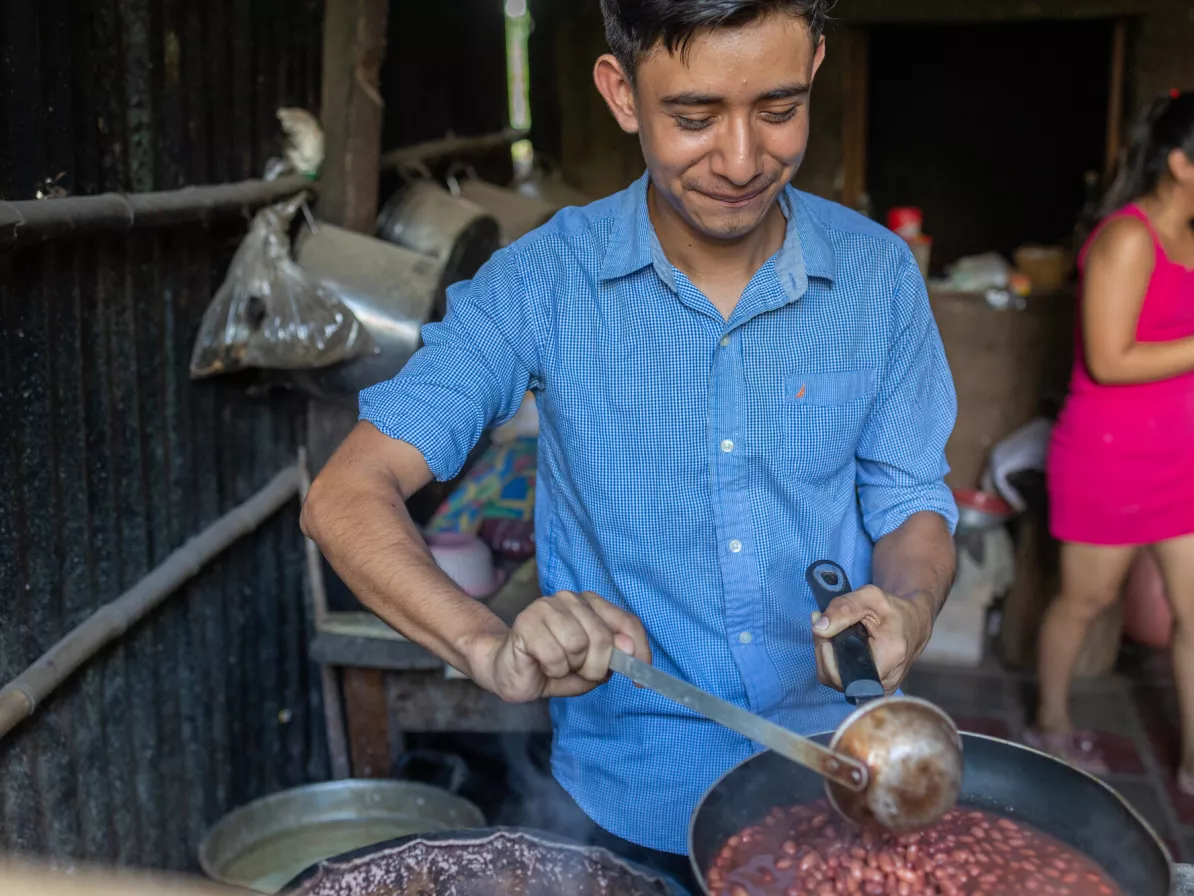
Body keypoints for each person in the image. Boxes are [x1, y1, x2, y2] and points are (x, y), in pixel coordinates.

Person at [302, 0, 959, 884]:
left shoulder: (877, 277)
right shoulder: (541, 283)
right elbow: (347, 493)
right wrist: (486, 644)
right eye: (693, 117)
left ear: (813, 72)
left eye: (777, 110)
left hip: (837, 778)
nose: (740, 160)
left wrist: (909, 609)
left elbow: (912, 501)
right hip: (631, 803)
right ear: (621, 93)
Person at [1029, 90, 1194, 784]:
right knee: (1087, 601)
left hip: (1181, 452)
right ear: (1183, 164)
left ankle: (1193, 764)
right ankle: (1050, 720)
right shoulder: (1128, 239)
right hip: (1112, 455)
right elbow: (1110, 358)